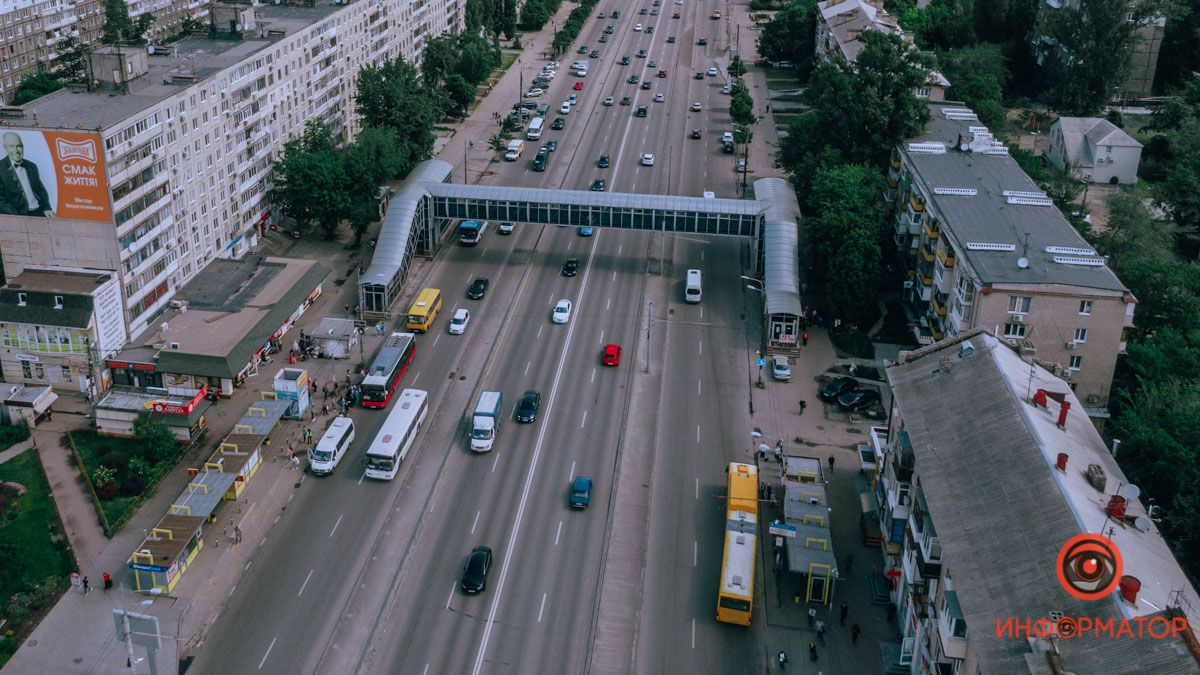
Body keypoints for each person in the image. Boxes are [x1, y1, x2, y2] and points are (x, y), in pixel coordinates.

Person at [0, 132, 55, 217]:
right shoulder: (1, 168)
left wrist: (47, 208)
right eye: (11, 146)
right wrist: (17, 217)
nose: (16, 150)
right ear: (5, 148)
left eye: (19, 146)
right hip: (18, 215)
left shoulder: (31, 166)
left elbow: (41, 190)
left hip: (38, 212)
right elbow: (1, 201)